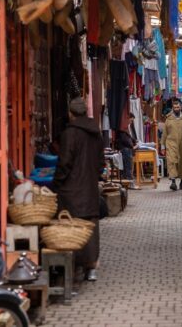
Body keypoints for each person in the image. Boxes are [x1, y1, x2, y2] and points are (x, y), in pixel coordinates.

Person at [53, 97, 105, 281]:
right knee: (90, 226)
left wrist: (57, 183)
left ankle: (73, 266)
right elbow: (101, 163)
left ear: (71, 114)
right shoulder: (95, 132)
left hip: (71, 190)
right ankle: (91, 268)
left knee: (71, 226)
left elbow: (64, 162)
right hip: (89, 188)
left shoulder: (70, 134)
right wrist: (94, 176)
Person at [161, 99, 182, 191]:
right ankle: (173, 182)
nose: (176, 108)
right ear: (173, 108)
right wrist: (162, 146)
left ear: (180, 107)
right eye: (175, 107)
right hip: (171, 144)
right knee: (171, 161)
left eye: (178, 107)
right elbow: (165, 133)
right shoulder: (168, 119)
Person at [117, 113, 138, 189]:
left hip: (127, 148)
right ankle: (130, 184)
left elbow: (129, 138)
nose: (131, 122)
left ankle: (127, 184)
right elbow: (125, 139)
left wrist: (135, 141)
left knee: (127, 167)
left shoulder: (125, 127)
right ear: (128, 118)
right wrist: (133, 146)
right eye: (131, 120)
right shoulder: (123, 127)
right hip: (125, 149)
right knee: (128, 167)